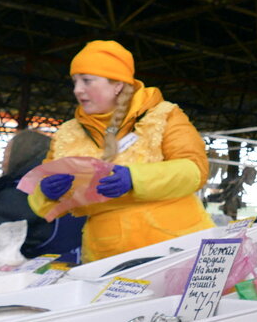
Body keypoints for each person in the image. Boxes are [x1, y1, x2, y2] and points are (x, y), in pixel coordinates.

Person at [27, 40, 215, 262]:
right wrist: (46, 193)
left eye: (87, 81)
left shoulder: (163, 116)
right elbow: (40, 199)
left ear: (117, 85)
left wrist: (135, 179)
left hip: (177, 246)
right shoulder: (67, 134)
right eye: (75, 81)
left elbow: (195, 170)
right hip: (106, 255)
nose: (77, 90)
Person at [0, 130, 85, 262]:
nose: (3, 163)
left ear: (19, 155)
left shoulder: (18, 192)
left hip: (34, 272)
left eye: (6, 154)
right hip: (76, 263)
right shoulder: (71, 185)